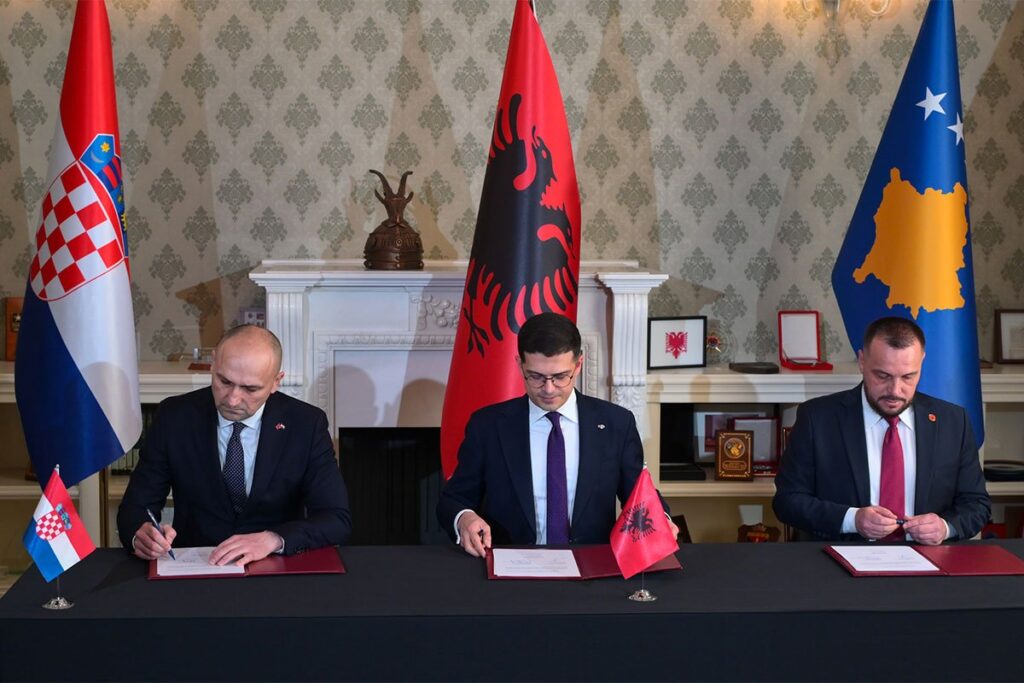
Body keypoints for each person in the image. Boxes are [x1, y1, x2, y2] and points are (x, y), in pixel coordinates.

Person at [437, 312, 677, 557]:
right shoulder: (488, 425)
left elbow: (639, 495)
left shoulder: (616, 423)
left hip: (592, 564)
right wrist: (464, 518)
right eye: (536, 377)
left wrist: (662, 520)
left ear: (578, 364)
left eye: (561, 376)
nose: (549, 389)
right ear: (520, 364)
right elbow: (453, 499)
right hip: (512, 564)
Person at [118, 325, 351, 565]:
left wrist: (274, 539)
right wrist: (141, 535)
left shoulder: (306, 424)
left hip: (275, 567)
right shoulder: (175, 416)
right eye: (224, 381)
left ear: (276, 382)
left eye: (250, 389)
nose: (232, 399)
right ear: (213, 364)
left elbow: (336, 519)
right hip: (197, 566)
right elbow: (135, 508)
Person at [773, 316, 990, 544]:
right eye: (882, 376)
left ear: (922, 363)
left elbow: (976, 504)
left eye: (908, 377)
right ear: (862, 361)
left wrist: (945, 528)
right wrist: (852, 520)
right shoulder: (817, 418)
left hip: (927, 559)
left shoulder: (953, 421)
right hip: (841, 557)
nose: (895, 390)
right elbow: (787, 501)